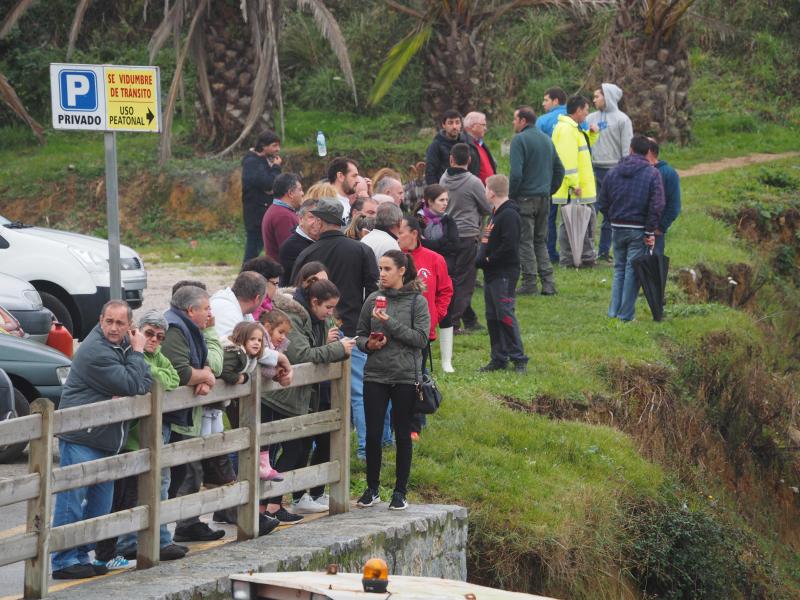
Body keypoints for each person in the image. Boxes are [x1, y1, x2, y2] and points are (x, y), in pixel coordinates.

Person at [51, 300, 152, 580]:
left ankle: (81, 556)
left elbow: (144, 384)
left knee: (100, 507)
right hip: (82, 436)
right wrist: (138, 352)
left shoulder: (122, 347)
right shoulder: (96, 350)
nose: (113, 327)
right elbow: (132, 384)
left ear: (129, 325)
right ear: (100, 319)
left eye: (120, 323)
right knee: (71, 500)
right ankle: (63, 560)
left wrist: (134, 365)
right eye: (109, 321)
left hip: (106, 440)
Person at [95, 310, 188, 566]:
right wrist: (152, 375)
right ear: (137, 331)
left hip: (156, 436)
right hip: (131, 440)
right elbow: (146, 379)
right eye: (149, 334)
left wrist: (152, 375)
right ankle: (128, 543)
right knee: (130, 495)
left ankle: (160, 538)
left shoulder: (158, 356)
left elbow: (173, 379)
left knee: (161, 486)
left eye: (160, 337)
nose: (154, 340)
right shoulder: (130, 355)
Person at [291, 199, 379, 461]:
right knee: (359, 393)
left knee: (320, 393)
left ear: (319, 221)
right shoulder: (360, 250)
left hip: (319, 331)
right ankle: (367, 449)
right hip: (352, 328)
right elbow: (373, 291)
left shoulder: (307, 254)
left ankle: (319, 450)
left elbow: (295, 291)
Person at [263, 278, 355, 520]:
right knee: (285, 449)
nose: (331, 313)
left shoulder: (316, 319)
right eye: (328, 307)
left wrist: (329, 346)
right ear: (314, 302)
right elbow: (301, 354)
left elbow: (316, 347)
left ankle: (273, 504)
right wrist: (337, 349)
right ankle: (269, 505)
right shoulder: (295, 317)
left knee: (296, 447)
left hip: (300, 396)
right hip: (282, 396)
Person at [355, 250, 430, 511]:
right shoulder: (374, 299)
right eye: (381, 269)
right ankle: (372, 488)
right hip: (375, 374)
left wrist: (392, 324)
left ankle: (400, 491)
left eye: (388, 269)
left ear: (402, 270)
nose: (382, 274)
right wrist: (370, 344)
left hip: (405, 376)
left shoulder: (416, 302)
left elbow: (421, 339)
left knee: (402, 435)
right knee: (373, 435)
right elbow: (360, 336)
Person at [161, 285, 229, 542]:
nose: (210, 314)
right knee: (177, 474)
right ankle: (171, 532)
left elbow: (209, 362)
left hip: (186, 414)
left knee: (188, 471)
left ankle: (185, 525)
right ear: (191, 310)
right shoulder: (176, 328)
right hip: (174, 416)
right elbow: (181, 371)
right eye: (207, 309)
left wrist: (204, 375)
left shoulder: (190, 328)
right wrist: (205, 375)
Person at [596, 135, 665, 322]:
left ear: (631, 149)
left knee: (619, 269)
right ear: (648, 152)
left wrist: (612, 218)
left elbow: (602, 201)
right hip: (638, 229)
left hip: (617, 227)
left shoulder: (613, 172)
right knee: (632, 271)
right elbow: (657, 205)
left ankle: (613, 311)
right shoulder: (652, 174)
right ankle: (625, 315)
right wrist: (650, 231)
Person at [397, 215, 453, 439]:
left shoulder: (434, 259)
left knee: (417, 373)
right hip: (396, 327)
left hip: (422, 330)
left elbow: (445, 291)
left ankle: (414, 425)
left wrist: (435, 316)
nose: (397, 235)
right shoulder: (393, 258)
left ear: (414, 233)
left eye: (401, 231)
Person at [509, 105, 565, 295]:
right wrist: (549, 190)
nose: (513, 123)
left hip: (524, 198)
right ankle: (548, 283)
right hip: (544, 198)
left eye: (515, 119)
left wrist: (511, 195)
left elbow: (516, 174)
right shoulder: (546, 140)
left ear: (523, 121)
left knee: (524, 241)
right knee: (540, 241)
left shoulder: (519, 140)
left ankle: (529, 283)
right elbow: (560, 170)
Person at [476, 175, 528, 373]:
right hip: (491, 274)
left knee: (505, 315)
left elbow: (509, 247)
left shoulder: (509, 215)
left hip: (503, 274)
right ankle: (498, 357)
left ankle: (519, 358)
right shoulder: (495, 214)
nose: (484, 192)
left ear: (491, 191)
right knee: (492, 316)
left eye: (485, 188)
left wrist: (488, 260)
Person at [440, 142, 492, 333]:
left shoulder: (443, 179)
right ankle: (453, 324)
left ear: (451, 159)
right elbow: (487, 207)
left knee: (453, 278)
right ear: (469, 160)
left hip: (447, 235)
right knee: (465, 281)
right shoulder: (473, 182)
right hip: (468, 236)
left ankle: (470, 319)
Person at [586, 83, 634, 263]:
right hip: (593, 168)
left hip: (614, 170)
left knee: (610, 212)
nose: (594, 100)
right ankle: (587, 250)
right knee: (591, 210)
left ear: (608, 96)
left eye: (597, 96)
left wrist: (625, 170)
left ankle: (604, 251)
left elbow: (626, 147)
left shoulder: (622, 120)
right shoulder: (591, 117)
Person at [552, 95, 600, 268]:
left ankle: (582, 258)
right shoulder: (567, 130)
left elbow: (582, 147)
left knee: (583, 222)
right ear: (578, 110)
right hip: (574, 189)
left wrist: (592, 135)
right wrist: (574, 184)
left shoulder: (574, 128)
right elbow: (567, 160)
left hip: (580, 187)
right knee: (572, 224)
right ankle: (574, 259)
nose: (588, 114)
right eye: (586, 110)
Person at [417, 184, 459, 372]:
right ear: (430, 201)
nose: (445, 204)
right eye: (441, 200)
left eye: (446, 200)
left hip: (445, 272)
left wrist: (431, 244)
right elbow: (418, 245)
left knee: (446, 314)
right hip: (422, 275)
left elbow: (453, 246)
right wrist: (440, 244)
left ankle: (446, 361)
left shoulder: (449, 221)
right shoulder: (418, 220)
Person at [535, 87, 569, 263]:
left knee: (549, 215)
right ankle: (570, 252)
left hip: (549, 173)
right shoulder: (576, 119)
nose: (543, 104)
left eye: (546, 100)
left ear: (556, 101)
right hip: (573, 177)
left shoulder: (542, 121)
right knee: (571, 218)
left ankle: (549, 251)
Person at [241, 130, 282, 263]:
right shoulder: (252, 162)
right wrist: (276, 168)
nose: (278, 149)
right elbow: (268, 184)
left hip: (263, 211)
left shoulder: (262, 160)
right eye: (274, 146)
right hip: (255, 214)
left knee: (263, 250)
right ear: (264, 146)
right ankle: (244, 279)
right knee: (252, 252)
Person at [425, 109, 480, 184]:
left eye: (457, 122)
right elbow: (430, 172)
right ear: (443, 125)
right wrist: (438, 193)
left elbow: (474, 167)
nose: (454, 126)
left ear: (461, 125)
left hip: (465, 187)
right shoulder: (436, 145)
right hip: (445, 189)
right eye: (450, 123)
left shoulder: (467, 142)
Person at [646, 138, 681, 256]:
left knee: (653, 267)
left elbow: (674, 205)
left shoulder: (668, 173)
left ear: (650, 152)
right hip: (635, 231)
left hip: (655, 233)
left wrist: (660, 228)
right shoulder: (638, 171)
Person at [278, 198, 321, 285]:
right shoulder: (290, 247)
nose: (316, 222)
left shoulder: (323, 241)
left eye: (320, 217)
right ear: (300, 219)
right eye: (311, 217)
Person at [262, 173, 303, 261]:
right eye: (300, 190)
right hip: (283, 271)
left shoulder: (278, 210)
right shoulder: (283, 216)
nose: (302, 193)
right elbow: (290, 250)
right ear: (290, 193)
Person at [463, 111, 497, 184]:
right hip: (477, 190)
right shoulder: (465, 145)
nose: (485, 128)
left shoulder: (479, 143)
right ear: (473, 127)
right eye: (483, 125)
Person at [327, 157, 360, 222]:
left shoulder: (345, 203)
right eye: (354, 176)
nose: (358, 181)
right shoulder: (329, 205)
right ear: (340, 176)